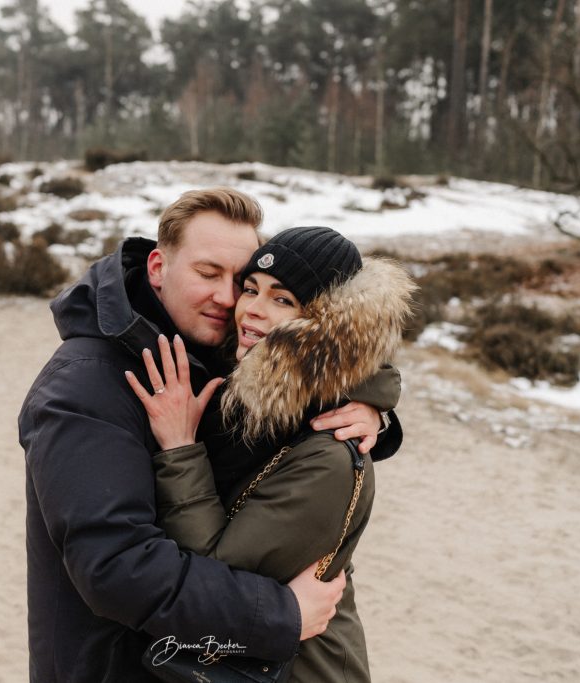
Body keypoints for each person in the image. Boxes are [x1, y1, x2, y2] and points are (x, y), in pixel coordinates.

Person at [19, 189, 402, 682]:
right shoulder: (86, 389)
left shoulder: (218, 352)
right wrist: (283, 613)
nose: (230, 300)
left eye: (239, 281)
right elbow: (116, 569)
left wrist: (369, 403)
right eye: (208, 273)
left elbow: (321, 356)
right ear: (158, 267)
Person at [125, 226, 415, 681]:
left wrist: (179, 447)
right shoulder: (249, 388)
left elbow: (214, 574)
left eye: (282, 299)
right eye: (251, 289)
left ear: (324, 325)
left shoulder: (328, 453)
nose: (251, 309)